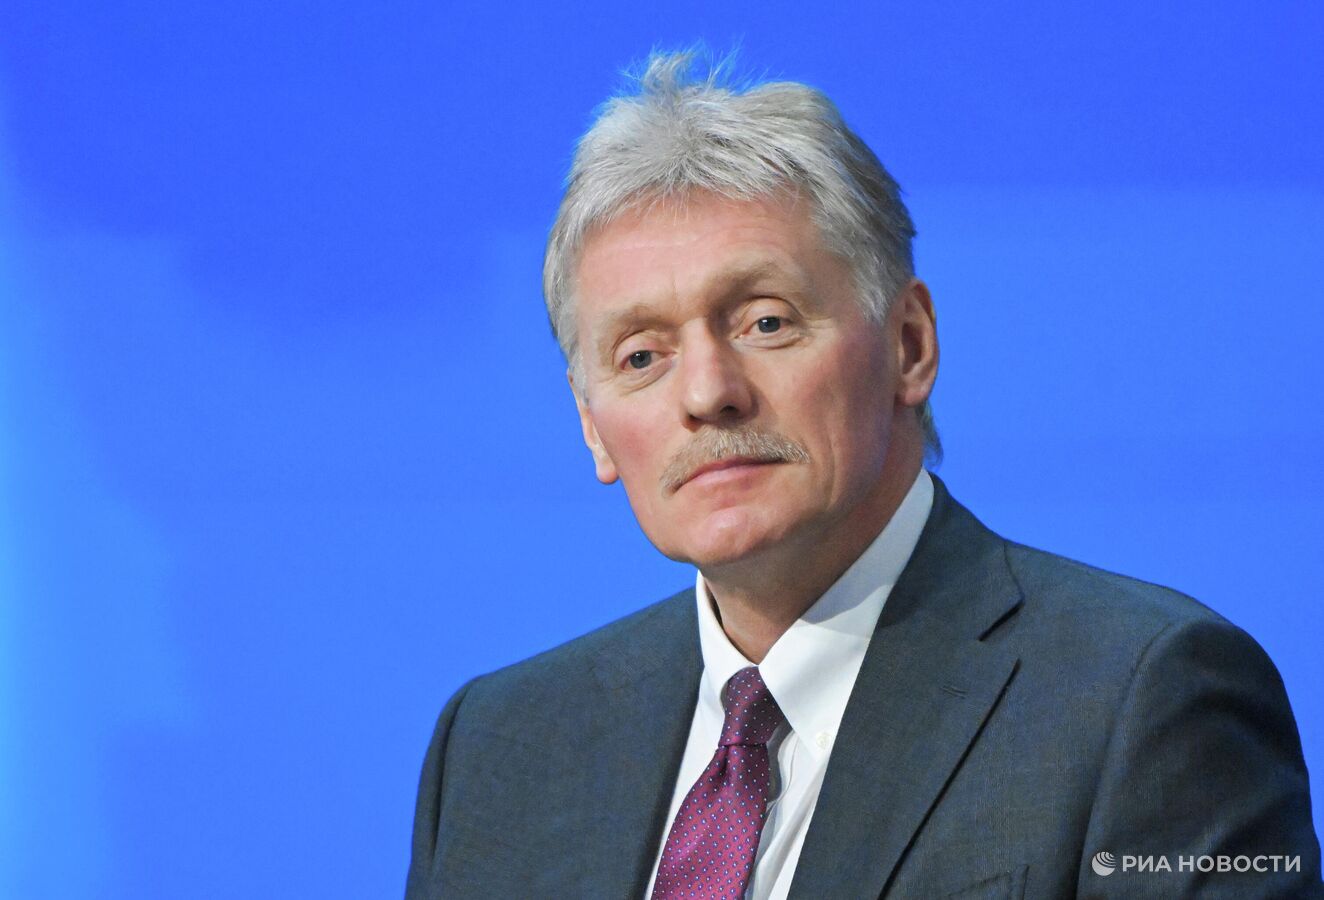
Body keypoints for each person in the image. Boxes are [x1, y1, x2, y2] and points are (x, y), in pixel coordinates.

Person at [405, 51, 1322, 899]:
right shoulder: (498, 749)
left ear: (909, 346)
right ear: (592, 428)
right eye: (642, 356)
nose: (709, 393)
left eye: (766, 322)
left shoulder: (1144, 699)